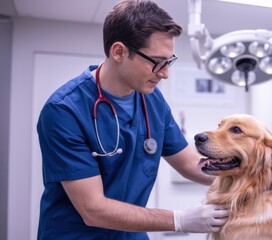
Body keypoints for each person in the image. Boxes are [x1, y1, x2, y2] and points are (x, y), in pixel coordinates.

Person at [36, 0, 229, 239]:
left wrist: (246, 173)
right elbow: (92, 209)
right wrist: (179, 220)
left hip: (130, 234)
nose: (165, 73)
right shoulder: (64, 110)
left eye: (169, 61)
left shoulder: (153, 101)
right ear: (119, 52)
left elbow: (190, 163)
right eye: (157, 62)